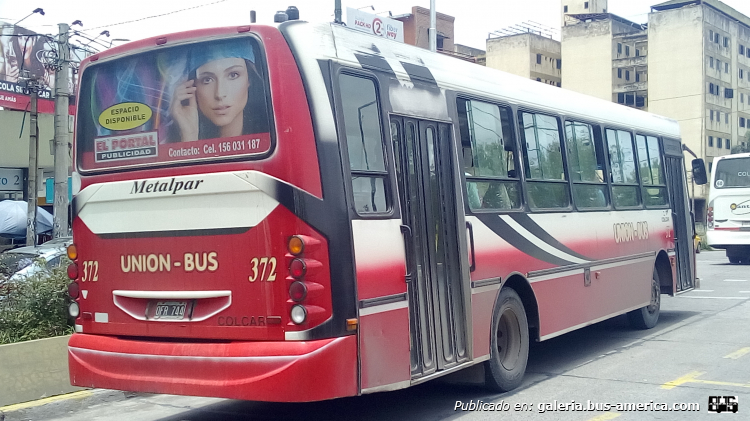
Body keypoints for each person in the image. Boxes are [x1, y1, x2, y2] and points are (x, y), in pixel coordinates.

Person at [168, 40, 268, 142]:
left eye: (233, 75)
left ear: (249, 79)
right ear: (192, 87)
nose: (219, 94)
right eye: (207, 80)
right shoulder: (169, 142)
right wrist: (189, 135)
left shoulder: (273, 136)